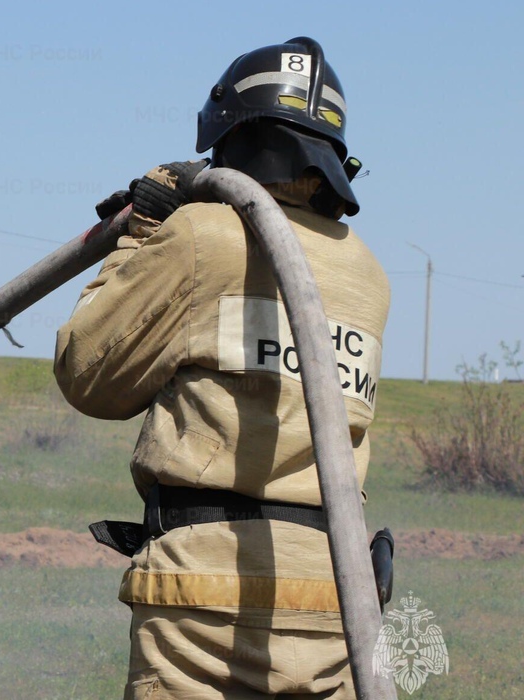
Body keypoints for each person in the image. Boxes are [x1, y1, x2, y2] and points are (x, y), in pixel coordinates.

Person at [54, 38, 389, 699]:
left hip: (207, 596)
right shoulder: (368, 271)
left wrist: (142, 234)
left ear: (227, 136)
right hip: (336, 596)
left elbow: (87, 373)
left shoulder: (203, 235)